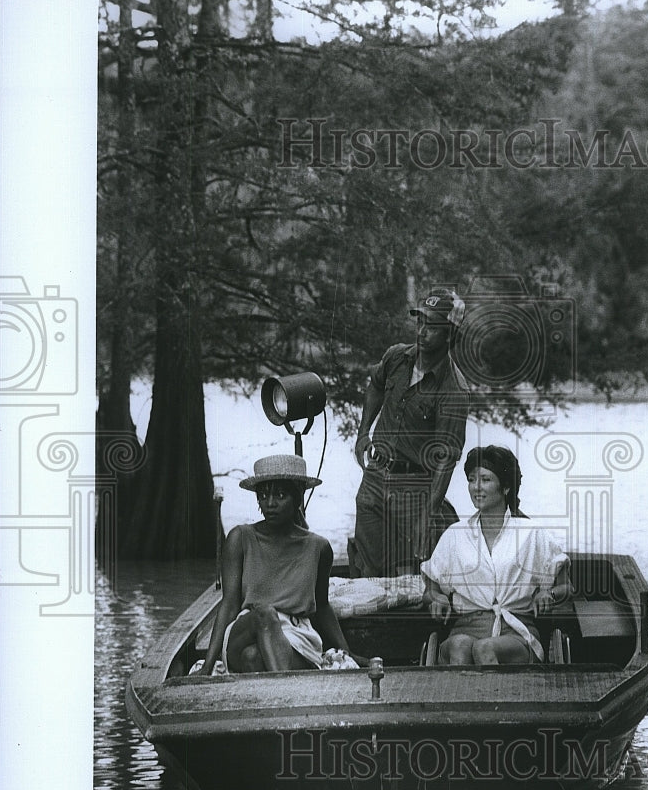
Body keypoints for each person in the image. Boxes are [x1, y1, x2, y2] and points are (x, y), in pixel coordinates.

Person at [197, 454, 359, 674]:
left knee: (252, 657)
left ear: (298, 497)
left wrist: (346, 650)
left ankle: (274, 685)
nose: (270, 504)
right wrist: (206, 668)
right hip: (246, 629)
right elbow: (229, 603)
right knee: (265, 613)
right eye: (263, 496)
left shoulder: (318, 547)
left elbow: (321, 605)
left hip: (297, 636)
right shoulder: (240, 538)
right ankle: (284, 686)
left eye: (280, 495)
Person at [353, 289, 469, 577]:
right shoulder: (396, 357)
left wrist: (428, 515)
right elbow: (376, 385)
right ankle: (371, 618)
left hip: (414, 486)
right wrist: (363, 432)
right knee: (369, 564)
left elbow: (446, 459)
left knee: (418, 570)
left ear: (450, 335)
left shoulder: (454, 389)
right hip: (375, 474)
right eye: (420, 322)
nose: (423, 331)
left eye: (432, 326)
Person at [420, 445, 572, 665]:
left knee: (485, 648)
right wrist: (437, 597)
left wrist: (548, 594)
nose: (476, 487)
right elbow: (431, 587)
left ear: (506, 487)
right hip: (465, 627)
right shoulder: (455, 535)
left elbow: (566, 586)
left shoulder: (531, 533)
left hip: (517, 632)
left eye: (485, 480)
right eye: (472, 480)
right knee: (460, 645)